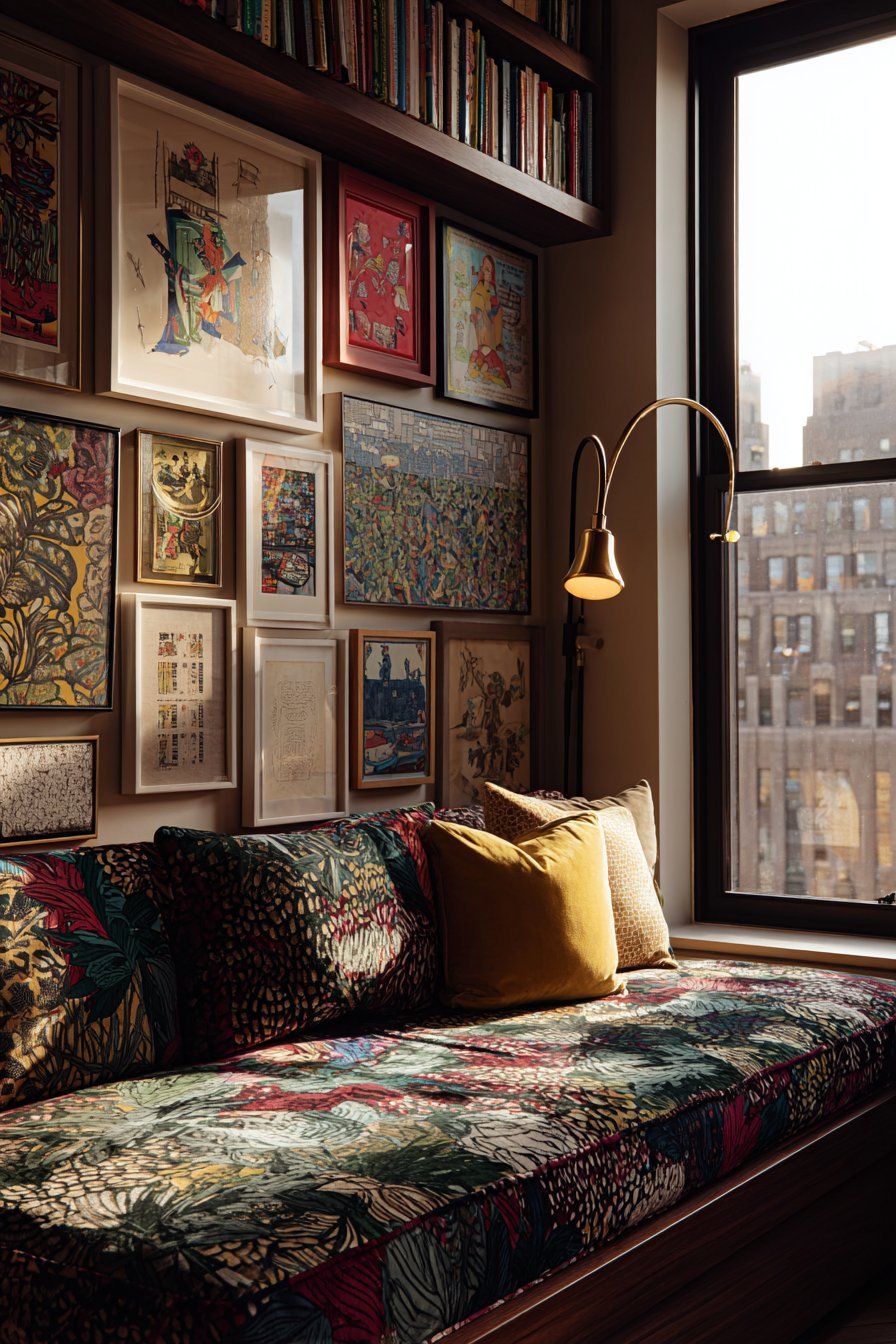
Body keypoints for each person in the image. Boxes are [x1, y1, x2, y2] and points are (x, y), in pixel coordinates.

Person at [467, 254, 511, 389]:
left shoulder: (491, 288)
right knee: (484, 318)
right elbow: (477, 301)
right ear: (482, 269)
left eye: (490, 270)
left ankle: (497, 343)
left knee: (498, 314)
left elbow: (493, 302)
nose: (488, 273)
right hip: (481, 316)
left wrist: (495, 309)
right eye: (486, 269)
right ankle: (486, 344)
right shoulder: (478, 288)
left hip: (490, 313)